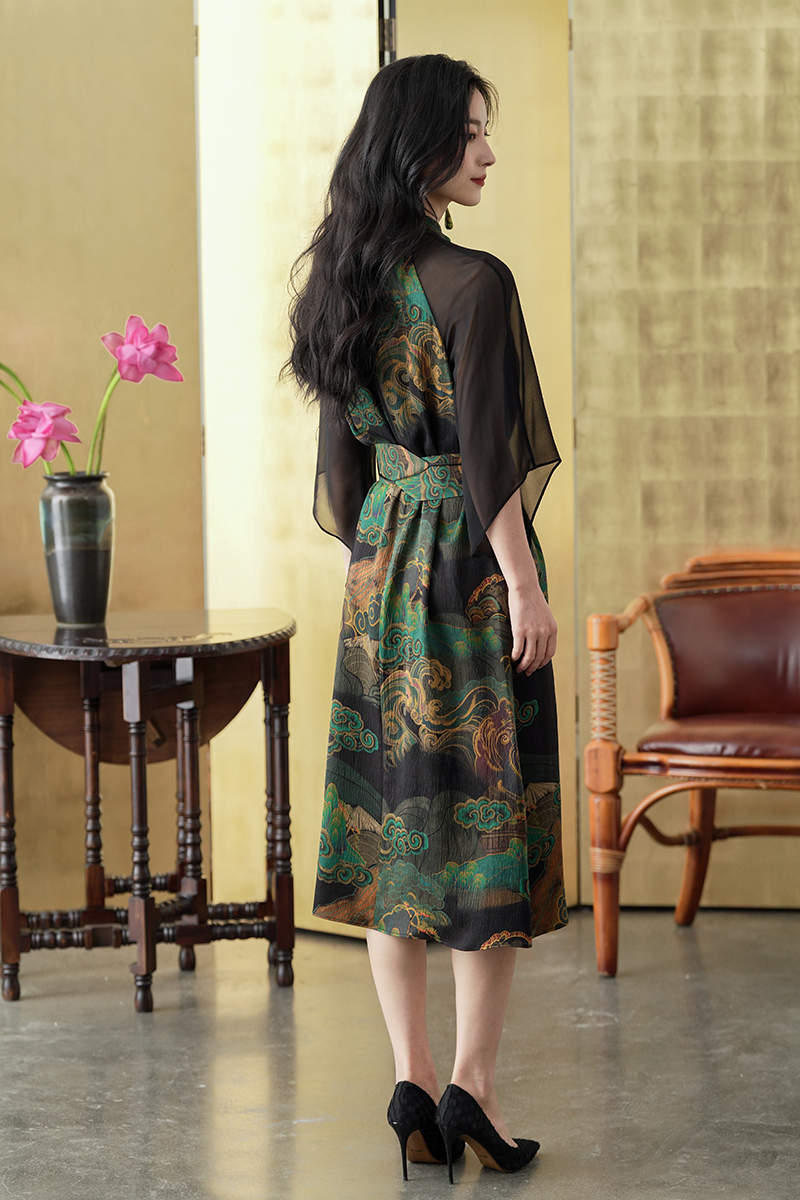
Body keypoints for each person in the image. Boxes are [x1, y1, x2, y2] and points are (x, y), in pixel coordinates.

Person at [287, 53, 566, 1182]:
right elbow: (492, 457)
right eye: (472, 132)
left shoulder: (337, 282)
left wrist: (384, 560)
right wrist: (524, 587)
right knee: (483, 833)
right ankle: (471, 1091)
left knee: (389, 827)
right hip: (467, 569)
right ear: (420, 150)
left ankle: (406, 1082)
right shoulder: (474, 282)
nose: (488, 152)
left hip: (379, 572)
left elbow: (340, 476)